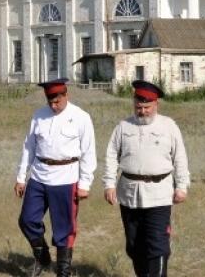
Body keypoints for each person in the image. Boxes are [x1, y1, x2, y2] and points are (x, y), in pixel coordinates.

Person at [102, 81, 189, 277]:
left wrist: (182, 186)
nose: (142, 112)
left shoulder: (169, 126)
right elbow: (111, 155)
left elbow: (180, 157)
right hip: (129, 194)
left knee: (157, 244)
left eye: (146, 107)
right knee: (134, 246)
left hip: (159, 194)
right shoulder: (123, 127)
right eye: (138, 107)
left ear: (156, 105)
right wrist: (109, 184)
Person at [14, 78, 96, 277]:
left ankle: (63, 271)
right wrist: (21, 177)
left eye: (57, 101)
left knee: (64, 229)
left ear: (65, 95)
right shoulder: (39, 116)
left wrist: (85, 183)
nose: (53, 105)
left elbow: (88, 152)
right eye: (49, 101)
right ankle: (42, 257)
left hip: (66, 179)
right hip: (39, 176)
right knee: (27, 220)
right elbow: (29, 147)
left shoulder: (81, 117)